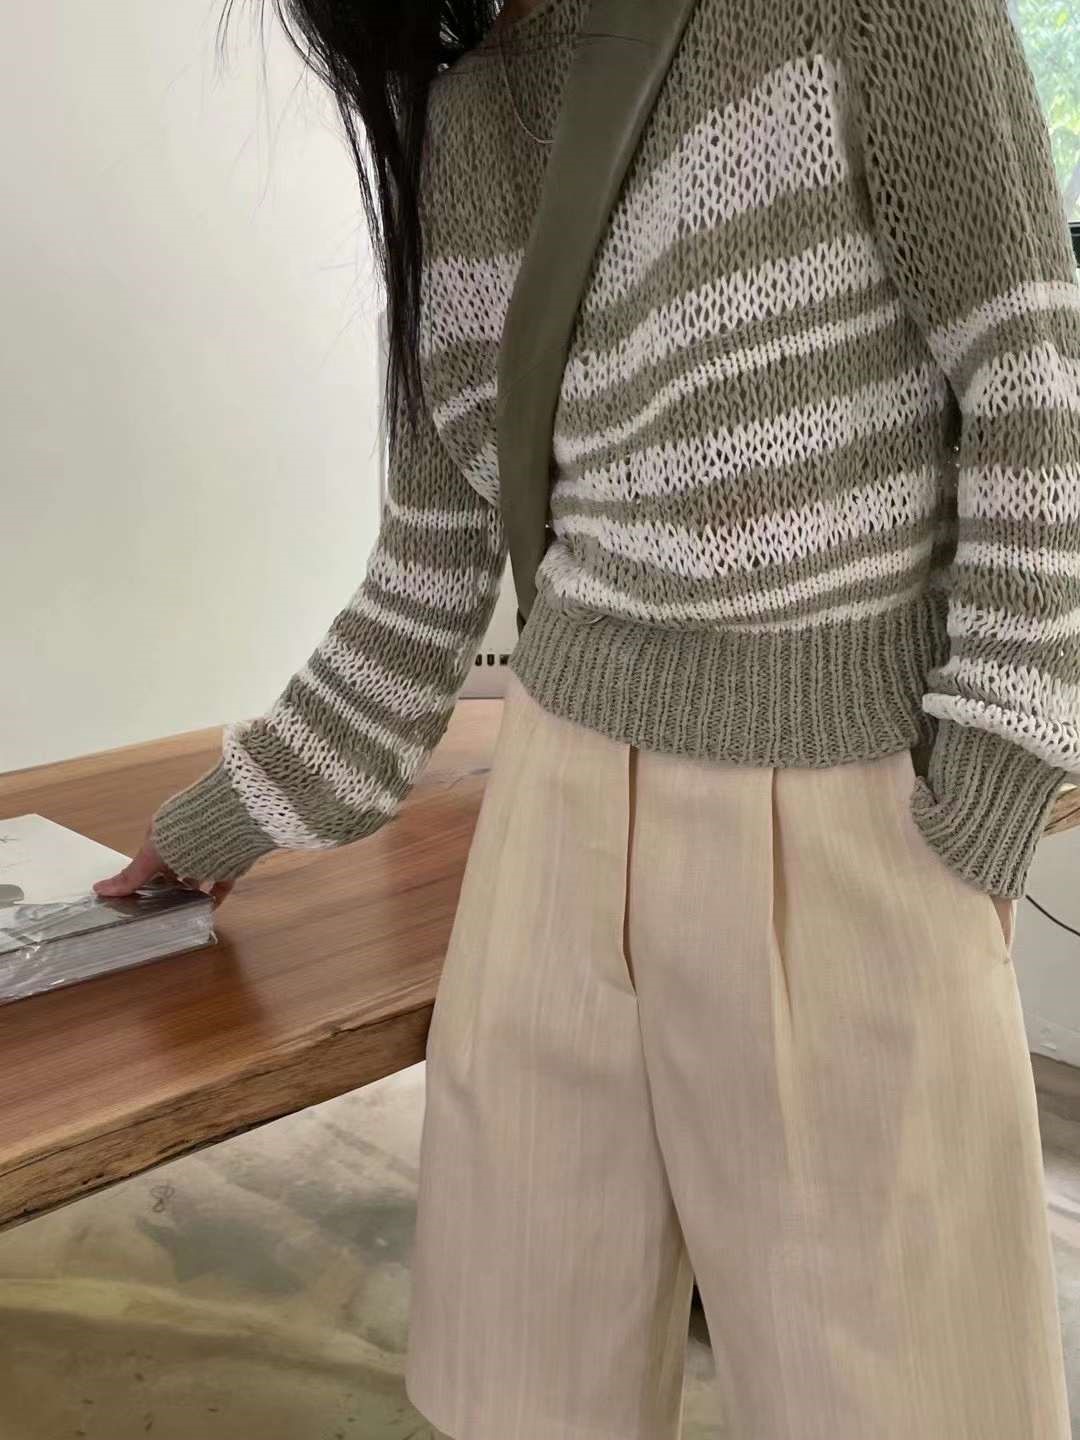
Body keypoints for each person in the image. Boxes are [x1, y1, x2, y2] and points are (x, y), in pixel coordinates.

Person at [96, 0, 1080, 1434]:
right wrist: (222, 819)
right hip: (550, 821)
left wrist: (989, 785)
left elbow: (1036, 386)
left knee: (901, 1393)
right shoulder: (467, 111)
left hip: (841, 817)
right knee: (521, 1372)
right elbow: (430, 560)